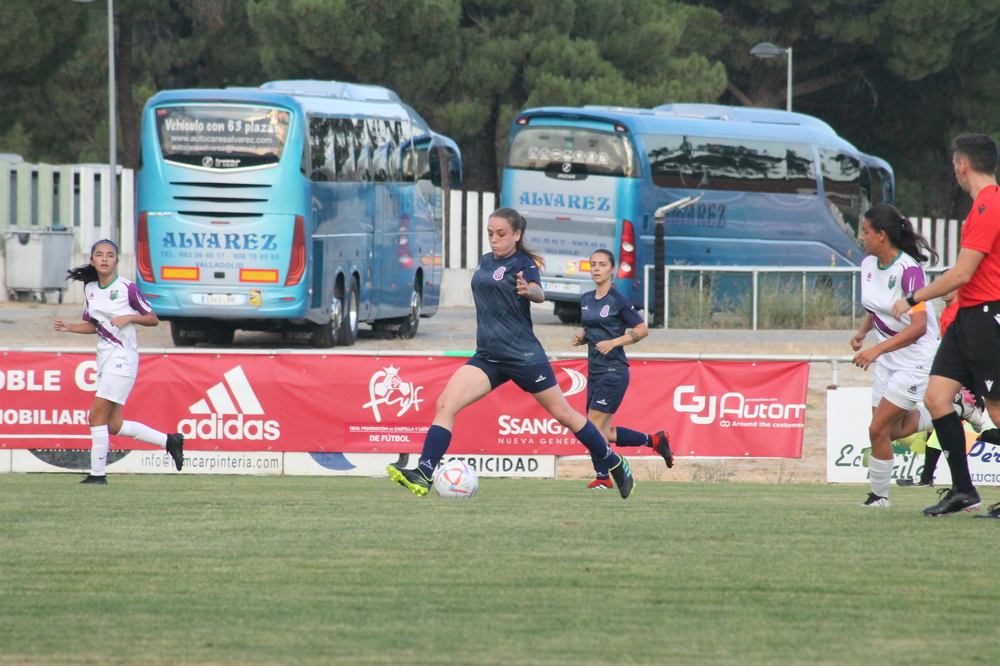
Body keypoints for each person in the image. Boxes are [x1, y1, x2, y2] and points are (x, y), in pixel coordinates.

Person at [386, 208, 635, 498]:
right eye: (490, 233)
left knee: (565, 415)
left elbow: (537, 292)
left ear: (517, 235)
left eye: (501, 234)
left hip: (523, 356)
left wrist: (530, 292)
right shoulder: (485, 261)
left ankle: (615, 462)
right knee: (445, 404)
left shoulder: (524, 263)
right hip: (488, 356)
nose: (494, 239)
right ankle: (424, 473)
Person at [890, 133, 1000, 517]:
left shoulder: (990, 205)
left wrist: (913, 298)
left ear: (962, 165)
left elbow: (961, 274)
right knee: (937, 399)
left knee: (998, 413)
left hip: (988, 317)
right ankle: (963, 490)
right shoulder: (980, 207)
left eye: (954, 162)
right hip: (967, 319)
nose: (954, 168)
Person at [54, 240, 185, 484]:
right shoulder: (90, 288)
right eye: (99, 255)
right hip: (104, 361)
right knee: (113, 424)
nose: (104, 259)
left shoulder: (127, 288)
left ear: (116, 261)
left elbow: (153, 319)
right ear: (92, 260)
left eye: (110, 255)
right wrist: (70, 327)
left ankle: (97, 475)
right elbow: (95, 325)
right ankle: (170, 441)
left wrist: (130, 317)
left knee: (95, 417)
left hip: (122, 360)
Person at [850, 204, 944, 507]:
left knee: (876, 429)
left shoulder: (910, 271)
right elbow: (875, 305)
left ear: (881, 235)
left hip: (916, 356)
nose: (861, 236)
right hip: (889, 355)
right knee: (890, 431)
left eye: (865, 231)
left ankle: (879, 497)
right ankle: (950, 408)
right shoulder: (868, 265)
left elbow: (918, 327)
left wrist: (876, 350)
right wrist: (864, 331)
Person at [570, 249, 673, 489]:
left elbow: (642, 329)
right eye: (593, 264)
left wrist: (615, 342)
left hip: (614, 371)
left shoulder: (618, 299)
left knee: (592, 427)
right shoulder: (586, 299)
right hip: (594, 371)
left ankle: (604, 477)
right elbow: (595, 328)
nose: (596, 268)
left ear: (612, 269)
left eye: (602, 265)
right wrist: (582, 337)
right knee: (602, 430)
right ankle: (654, 441)